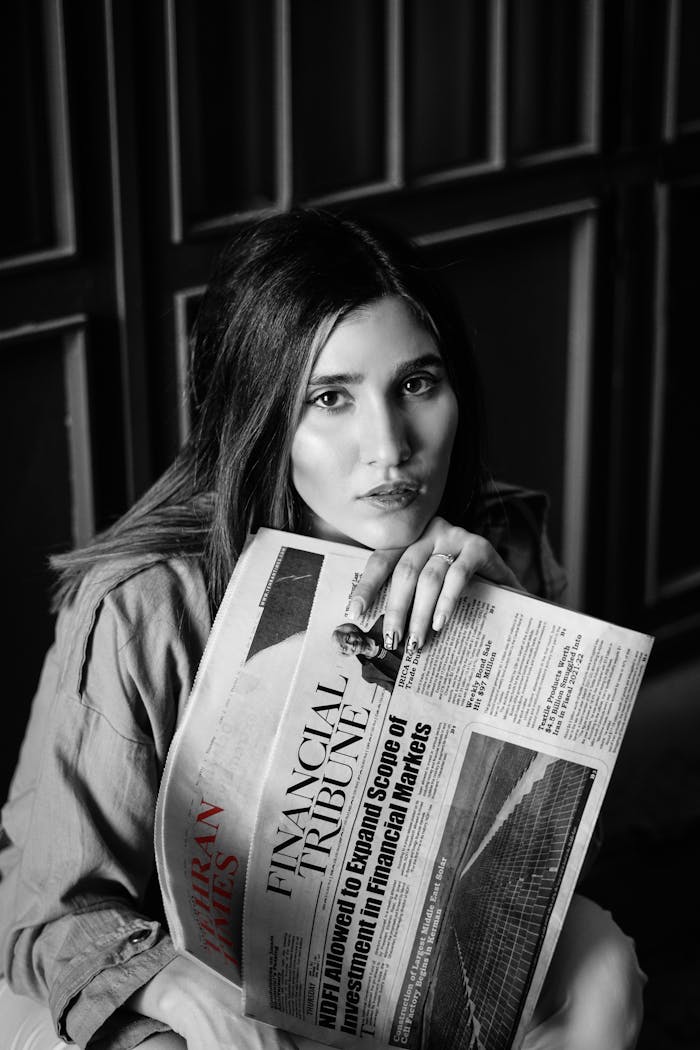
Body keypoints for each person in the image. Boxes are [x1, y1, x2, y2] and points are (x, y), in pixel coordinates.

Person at [0, 208, 644, 1049]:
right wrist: (171, 997)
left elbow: (551, 881)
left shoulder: (497, 545)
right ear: (266, 418)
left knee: (600, 964)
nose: (389, 447)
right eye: (330, 398)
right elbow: (46, 913)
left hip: (385, 979)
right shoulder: (144, 606)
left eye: (416, 384)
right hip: (188, 993)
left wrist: (507, 629)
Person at [332, 615, 404, 690]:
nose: (350, 645)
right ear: (347, 654)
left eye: (348, 638)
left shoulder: (382, 623)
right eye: (345, 648)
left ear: (353, 629)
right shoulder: (368, 674)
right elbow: (396, 691)